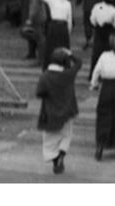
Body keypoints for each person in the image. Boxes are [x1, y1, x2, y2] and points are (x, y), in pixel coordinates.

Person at [35, 47, 82, 175]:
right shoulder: (68, 74)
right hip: (68, 111)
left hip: (50, 111)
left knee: (49, 139)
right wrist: (70, 54)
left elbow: (39, 93)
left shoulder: (45, 76)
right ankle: (62, 153)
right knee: (66, 134)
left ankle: (55, 158)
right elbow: (79, 63)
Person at [36, 0, 72, 70]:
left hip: (54, 26)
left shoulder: (52, 0)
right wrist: (68, 32)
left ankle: (48, 66)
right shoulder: (67, 3)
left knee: (51, 47)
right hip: (63, 27)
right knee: (64, 48)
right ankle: (64, 66)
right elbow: (69, 20)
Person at [88, 0, 115, 78]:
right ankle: (108, 73)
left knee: (97, 53)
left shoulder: (97, 6)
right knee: (109, 53)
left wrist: (97, 24)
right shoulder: (113, 9)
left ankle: (94, 74)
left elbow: (92, 20)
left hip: (99, 31)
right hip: (109, 32)